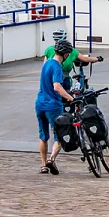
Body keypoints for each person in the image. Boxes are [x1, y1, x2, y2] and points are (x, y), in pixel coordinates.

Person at [35, 40, 75, 175]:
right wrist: (71, 98)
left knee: (43, 135)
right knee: (60, 135)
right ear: (66, 54)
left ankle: (43, 165)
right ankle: (51, 159)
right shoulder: (57, 67)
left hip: (40, 104)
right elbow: (57, 86)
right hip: (53, 106)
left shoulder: (46, 64)